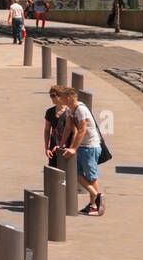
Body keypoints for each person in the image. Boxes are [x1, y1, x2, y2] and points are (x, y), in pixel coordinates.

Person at [60, 88, 105, 216]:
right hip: (81, 146)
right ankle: (97, 196)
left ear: (68, 98)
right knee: (75, 173)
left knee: (91, 176)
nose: (60, 99)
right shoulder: (70, 109)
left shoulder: (81, 110)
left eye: (62, 97)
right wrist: (62, 144)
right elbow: (68, 128)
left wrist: (73, 148)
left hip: (90, 146)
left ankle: (94, 205)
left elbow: (82, 130)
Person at [43, 86, 73, 167]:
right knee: (53, 171)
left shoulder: (69, 111)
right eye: (50, 96)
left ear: (61, 96)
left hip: (67, 146)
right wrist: (47, 148)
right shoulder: (50, 112)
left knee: (68, 171)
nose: (51, 98)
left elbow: (75, 131)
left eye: (53, 96)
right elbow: (47, 130)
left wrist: (72, 147)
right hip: (53, 147)